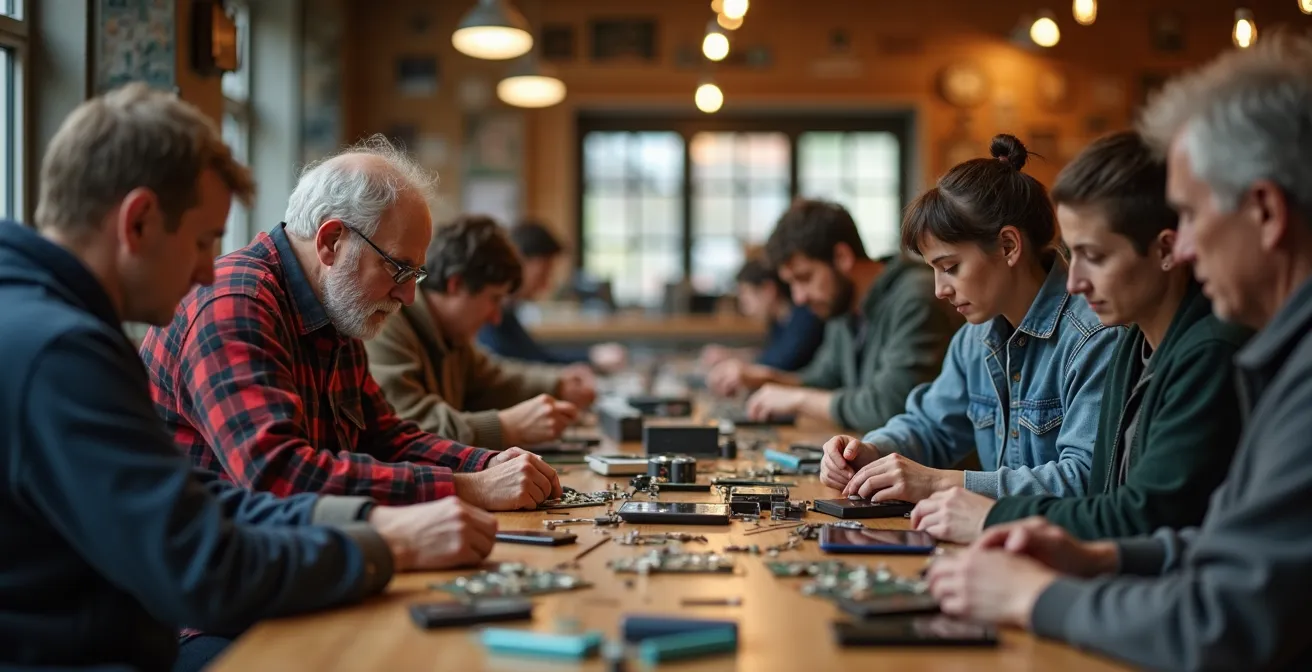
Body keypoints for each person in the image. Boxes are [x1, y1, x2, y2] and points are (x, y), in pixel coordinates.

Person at [0, 83, 498, 672]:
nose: (207, 267)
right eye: (204, 239)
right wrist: (388, 541)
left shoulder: (51, 324)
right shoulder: (63, 351)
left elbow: (206, 503)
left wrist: (381, 515)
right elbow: (206, 561)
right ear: (138, 223)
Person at [926, 34, 1312, 671]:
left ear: (1266, 211)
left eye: (1188, 215)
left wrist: (1038, 597)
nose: (1182, 247)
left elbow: (1221, 620)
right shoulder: (1152, 342)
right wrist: (1106, 558)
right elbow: (1224, 547)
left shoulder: (1244, 354)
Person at [140, 135, 561, 511]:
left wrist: (488, 462)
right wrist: (468, 486)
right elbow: (279, 475)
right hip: (214, 573)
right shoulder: (234, 304)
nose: (408, 295)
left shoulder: (336, 306)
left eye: (415, 274)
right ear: (331, 242)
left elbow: (386, 437)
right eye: (398, 268)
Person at [910, 130, 1250, 543]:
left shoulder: (1197, 350)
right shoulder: (1132, 344)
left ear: (1167, 250)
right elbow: (1113, 505)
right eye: (1074, 254)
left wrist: (987, 515)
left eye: (1095, 256)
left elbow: (1135, 515)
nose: (1073, 283)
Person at [820, 135, 1120, 503]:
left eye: (950, 267)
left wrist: (938, 483)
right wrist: (868, 451)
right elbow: (930, 426)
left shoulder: (1093, 335)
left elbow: (1085, 479)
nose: (939, 290)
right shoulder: (974, 337)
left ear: (1008, 246)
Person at [711, 200, 959, 431]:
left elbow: (890, 408)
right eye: (792, 284)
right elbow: (823, 381)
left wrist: (797, 399)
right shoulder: (842, 308)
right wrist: (766, 377)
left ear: (842, 257)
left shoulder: (916, 297)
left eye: (805, 278)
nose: (799, 297)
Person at [366, 214, 594, 450]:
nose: (496, 318)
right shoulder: (388, 324)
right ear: (456, 285)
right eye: (494, 299)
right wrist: (507, 427)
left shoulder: (450, 333)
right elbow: (407, 427)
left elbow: (493, 379)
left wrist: (558, 383)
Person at [477, 218, 626, 373]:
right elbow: (521, 367)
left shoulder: (508, 312)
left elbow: (537, 358)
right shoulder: (492, 315)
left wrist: (590, 357)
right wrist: (590, 358)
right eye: (543, 273)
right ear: (518, 262)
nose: (546, 285)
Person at [700, 256, 826, 373]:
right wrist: (731, 354)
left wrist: (732, 359)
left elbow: (778, 364)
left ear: (768, 290)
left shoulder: (805, 317)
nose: (745, 308)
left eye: (746, 296)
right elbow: (769, 354)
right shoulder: (780, 323)